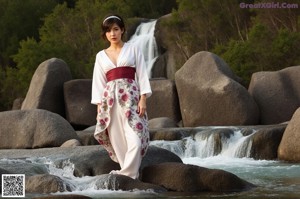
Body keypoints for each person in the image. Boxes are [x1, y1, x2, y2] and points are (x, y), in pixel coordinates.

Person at [91, 14, 152, 179]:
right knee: (118, 141)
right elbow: (98, 82)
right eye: (109, 30)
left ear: (122, 30)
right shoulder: (100, 56)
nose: (113, 34)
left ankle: (127, 175)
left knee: (136, 138)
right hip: (109, 103)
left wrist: (143, 98)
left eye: (116, 29)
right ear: (105, 34)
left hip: (131, 100)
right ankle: (131, 178)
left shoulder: (133, 49)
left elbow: (142, 74)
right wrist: (99, 109)